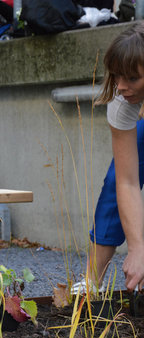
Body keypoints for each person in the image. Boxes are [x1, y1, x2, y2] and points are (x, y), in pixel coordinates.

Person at [73, 22, 144, 294]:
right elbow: (126, 181)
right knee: (116, 177)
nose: (122, 86)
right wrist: (137, 250)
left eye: (132, 78)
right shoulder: (121, 97)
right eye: (116, 76)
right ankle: (91, 281)